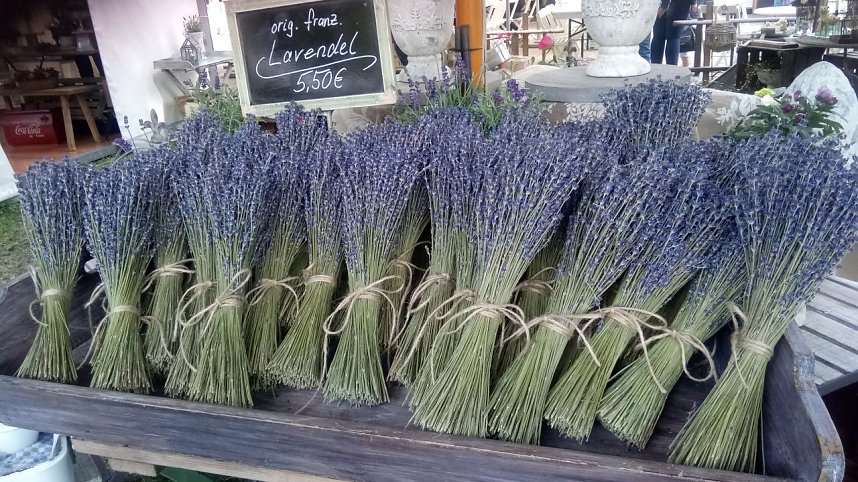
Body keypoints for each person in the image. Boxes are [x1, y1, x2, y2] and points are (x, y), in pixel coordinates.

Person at [651, 0, 694, 65]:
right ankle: (671, 69)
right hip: (680, 5)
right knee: (673, 38)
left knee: (658, 37)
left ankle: (655, 67)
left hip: (662, 3)